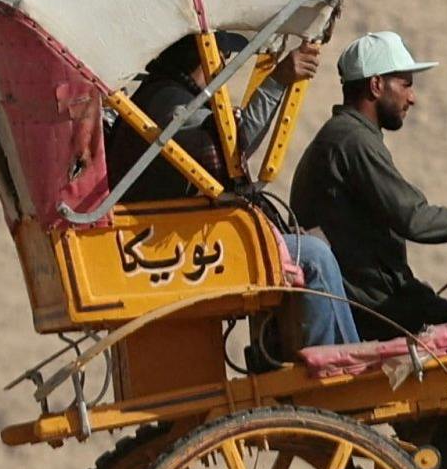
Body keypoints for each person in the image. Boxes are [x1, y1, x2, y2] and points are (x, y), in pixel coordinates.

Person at [107, 29, 356, 349]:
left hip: (175, 235)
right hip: (168, 245)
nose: (223, 64)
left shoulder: (162, 94)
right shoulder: (171, 103)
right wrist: (278, 80)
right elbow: (233, 150)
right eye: (219, 56)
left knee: (312, 242)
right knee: (315, 255)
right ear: (201, 57)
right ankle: (339, 360)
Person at [290, 30, 447, 337]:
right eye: (405, 85)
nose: (412, 98)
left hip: (381, 301)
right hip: (377, 310)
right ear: (376, 85)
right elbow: (415, 219)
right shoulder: (352, 140)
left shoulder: (345, 137)